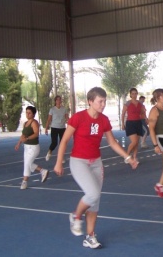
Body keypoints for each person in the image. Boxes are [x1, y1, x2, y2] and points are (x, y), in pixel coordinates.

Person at [54, 87, 138, 249]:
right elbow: (64, 141)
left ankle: (90, 236)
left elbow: (112, 142)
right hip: (79, 161)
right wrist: (59, 162)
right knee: (92, 193)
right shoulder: (78, 118)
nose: (103, 104)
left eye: (105, 101)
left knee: (95, 201)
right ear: (90, 101)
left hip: (96, 163)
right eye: (100, 101)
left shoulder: (104, 120)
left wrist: (128, 158)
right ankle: (75, 216)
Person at [14, 106, 49, 190]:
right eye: (26, 112)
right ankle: (42, 170)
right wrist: (19, 143)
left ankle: (24, 182)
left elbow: (36, 133)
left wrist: (27, 138)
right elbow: (23, 135)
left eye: (29, 113)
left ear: (33, 114)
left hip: (33, 147)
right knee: (28, 163)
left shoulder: (34, 122)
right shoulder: (25, 123)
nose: (27, 114)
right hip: (26, 147)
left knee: (27, 164)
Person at [121, 88, 145, 163]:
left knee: (137, 142)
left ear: (137, 94)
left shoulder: (140, 104)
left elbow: (142, 113)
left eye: (135, 93)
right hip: (130, 123)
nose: (134, 95)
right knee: (134, 141)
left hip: (138, 123)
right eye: (133, 93)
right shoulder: (127, 103)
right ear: (130, 95)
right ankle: (127, 156)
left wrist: (145, 118)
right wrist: (122, 124)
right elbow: (123, 114)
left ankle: (134, 157)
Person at [44, 95, 69, 161]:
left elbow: (67, 118)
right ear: (55, 101)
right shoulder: (52, 109)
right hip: (54, 127)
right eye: (57, 99)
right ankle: (49, 152)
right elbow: (49, 119)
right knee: (54, 143)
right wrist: (46, 128)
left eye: (60, 99)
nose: (59, 101)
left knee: (62, 143)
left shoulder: (64, 109)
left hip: (62, 128)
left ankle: (61, 157)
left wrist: (70, 126)